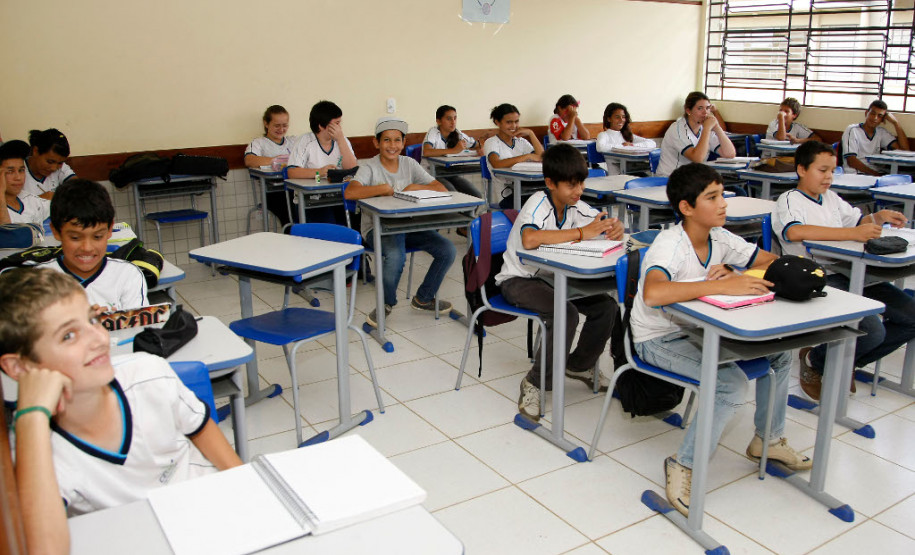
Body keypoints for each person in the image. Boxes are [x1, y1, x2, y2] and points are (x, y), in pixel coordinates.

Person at [0, 268, 242, 531]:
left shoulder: (149, 373)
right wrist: (33, 419)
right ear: (19, 367)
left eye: (92, 320)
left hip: (209, 508)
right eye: (68, 335)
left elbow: (202, 429)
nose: (98, 338)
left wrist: (246, 486)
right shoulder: (34, 450)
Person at [631, 163, 810, 517]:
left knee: (779, 354)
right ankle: (683, 464)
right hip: (658, 339)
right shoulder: (670, 246)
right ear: (686, 208)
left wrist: (738, 272)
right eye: (712, 197)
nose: (723, 204)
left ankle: (767, 440)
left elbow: (773, 262)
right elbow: (653, 292)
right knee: (728, 386)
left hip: (700, 332)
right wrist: (721, 284)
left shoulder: (721, 238)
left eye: (722, 194)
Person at [771, 140, 915, 400]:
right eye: (822, 170)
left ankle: (846, 361)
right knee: (873, 331)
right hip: (816, 279)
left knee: (912, 317)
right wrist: (852, 233)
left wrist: (878, 216)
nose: (828, 177)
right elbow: (794, 231)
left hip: (852, 272)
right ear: (802, 170)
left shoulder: (830, 197)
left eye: (832, 171)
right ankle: (816, 360)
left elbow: (857, 221)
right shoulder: (789, 200)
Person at [496, 143, 623, 420]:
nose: (578, 191)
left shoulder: (574, 204)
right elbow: (530, 239)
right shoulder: (538, 203)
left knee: (607, 307)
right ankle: (535, 381)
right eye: (571, 185)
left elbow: (599, 220)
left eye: (581, 184)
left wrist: (614, 226)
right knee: (565, 313)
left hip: (554, 278)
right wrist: (581, 233)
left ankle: (578, 365)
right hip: (520, 279)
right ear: (550, 183)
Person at [344, 117, 456, 327]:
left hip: (408, 226)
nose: (392, 146)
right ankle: (385, 304)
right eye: (386, 140)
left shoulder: (409, 163)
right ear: (377, 143)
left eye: (397, 140)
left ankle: (423, 298)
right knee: (395, 256)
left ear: (403, 143)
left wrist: (415, 188)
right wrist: (383, 189)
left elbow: (441, 188)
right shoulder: (369, 167)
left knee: (447, 249)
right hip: (378, 228)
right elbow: (350, 192)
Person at [38, 179, 148, 311]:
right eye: (75, 237)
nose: (87, 248)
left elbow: (140, 330)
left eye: (97, 237)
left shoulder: (127, 275)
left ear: (109, 229)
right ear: (56, 231)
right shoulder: (38, 282)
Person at [243, 105, 300, 227]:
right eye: (277, 125)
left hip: (296, 188)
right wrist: (277, 160)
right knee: (291, 214)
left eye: (285, 125)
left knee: (310, 208)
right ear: (266, 124)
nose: (281, 129)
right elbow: (249, 160)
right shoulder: (259, 143)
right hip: (274, 193)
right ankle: (293, 236)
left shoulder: (293, 141)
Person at [657, 92, 735, 177]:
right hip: (672, 179)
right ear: (688, 110)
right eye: (700, 108)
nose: (705, 112)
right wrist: (707, 129)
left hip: (694, 179)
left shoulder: (705, 127)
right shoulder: (677, 129)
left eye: (708, 108)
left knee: (737, 190)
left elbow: (729, 154)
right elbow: (697, 158)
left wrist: (717, 127)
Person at [484, 103, 544, 209]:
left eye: (516, 121)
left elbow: (542, 157)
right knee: (540, 206)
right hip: (507, 196)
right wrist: (526, 157)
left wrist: (531, 133)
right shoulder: (492, 142)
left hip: (528, 191)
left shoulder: (521, 141)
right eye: (509, 122)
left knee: (549, 201)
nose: (513, 126)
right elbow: (496, 164)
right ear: (497, 122)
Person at [421, 105, 483, 198]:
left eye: (455, 118)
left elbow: (477, 144)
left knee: (476, 195)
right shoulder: (433, 132)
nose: (453, 122)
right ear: (439, 121)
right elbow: (427, 151)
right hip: (431, 174)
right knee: (453, 194)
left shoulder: (457, 133)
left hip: (450, 173)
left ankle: (466, 213)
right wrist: (454, 150)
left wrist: (481, 149)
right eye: (449, 119)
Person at [286, 100, 357, 180]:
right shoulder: (305, 141)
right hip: (313, 191)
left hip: (339, 190)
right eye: (336, 123)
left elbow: (352, 169)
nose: (339, 128)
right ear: (321, 126)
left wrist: (340, 140)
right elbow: (292, 172)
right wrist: (319, 172)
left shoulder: (342, 140)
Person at [841, 99, 910, 175]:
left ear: (882, 120)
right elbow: (851, 161)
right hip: (857, 174)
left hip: (875, 173)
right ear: (866, 113)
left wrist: (895, 123)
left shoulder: (881, 132)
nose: (875, 118)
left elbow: (905, 151)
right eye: (872, 113)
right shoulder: (852, 130)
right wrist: (876, 174)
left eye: (879, 116)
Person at [595, 102, 657, 175]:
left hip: (633, 171)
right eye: (617, 117)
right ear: (609, 119)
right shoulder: (604, 135)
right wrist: (623, 146)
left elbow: (652, 143)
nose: (621, 120)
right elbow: (600, 147)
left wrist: (633, 145)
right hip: (617, 175)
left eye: (623, 117)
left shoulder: (627, 135)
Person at [1, 140, 50, 226]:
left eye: (21, 170)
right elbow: (6, 234)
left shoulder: (29, 200)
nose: (18, 177)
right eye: (10, 171)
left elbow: (61, 204)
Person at [24, 129, 75, 199]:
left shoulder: (61, 168)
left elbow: (77, 187)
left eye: (60, 163)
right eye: (50, 162)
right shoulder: (18, 171)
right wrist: (39, 200)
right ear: (35, 151)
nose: (54, 168)